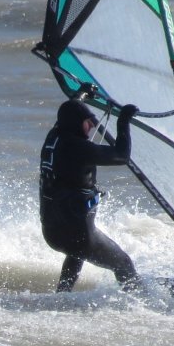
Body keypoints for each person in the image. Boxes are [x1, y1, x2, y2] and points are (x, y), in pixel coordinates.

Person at [38, 99, 142, 292]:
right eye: (88, 122)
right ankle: (142, 301)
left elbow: (69, 111)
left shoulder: (53, 138)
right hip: (79, 236)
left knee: (75, 251)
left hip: (52, 233)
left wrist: (83, 95)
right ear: (77, 122)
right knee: (123, 263)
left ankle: (62, 295)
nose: (92, 127)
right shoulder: (78, 148)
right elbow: (121, 156)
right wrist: (123, 121)